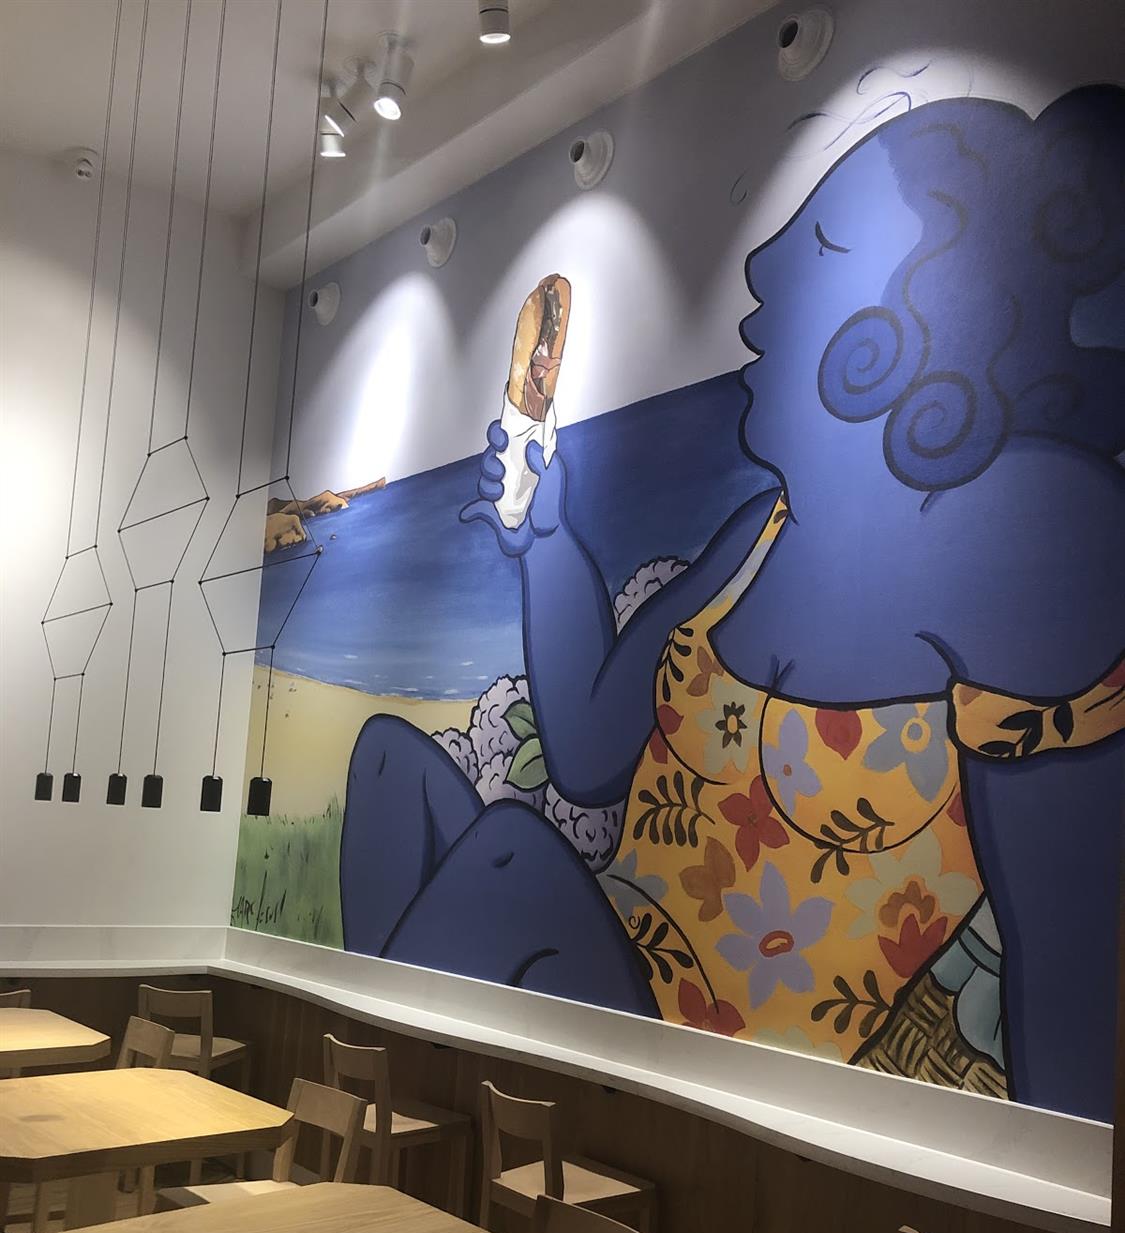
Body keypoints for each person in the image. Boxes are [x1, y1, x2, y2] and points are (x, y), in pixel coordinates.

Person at [340, 87, 1124, 1121]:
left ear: (909, 336)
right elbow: (586, 752)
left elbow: (1065, 946)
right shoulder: (756, 534)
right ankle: (397, 1137)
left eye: (825, 243)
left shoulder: (1038, 527)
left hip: (724, 1052)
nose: (761, 265)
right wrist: (547, 541)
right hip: (608, 955)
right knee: (389, 763)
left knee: (509, 857)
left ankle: (359, 1142)